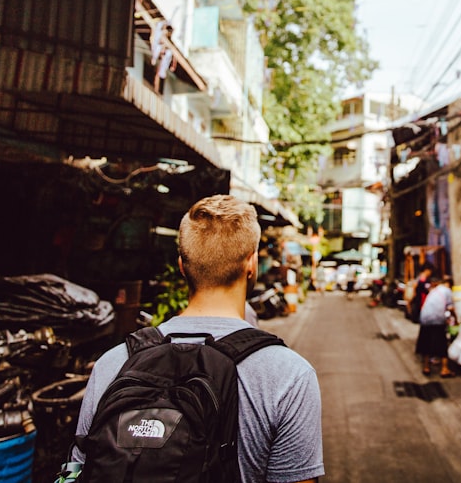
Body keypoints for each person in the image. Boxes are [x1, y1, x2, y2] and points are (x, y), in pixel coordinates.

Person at [70, 195, 324, 483]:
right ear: (251, 263)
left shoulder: (113, 363)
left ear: (181, 265)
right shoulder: (289, 376)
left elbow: (75, 471)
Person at [415, 274, 454, 378]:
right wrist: (456, 318)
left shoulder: (433, 291)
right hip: (437, 319)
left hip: (424, 318)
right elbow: (450, 308)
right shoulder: (447, 291)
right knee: (442, 343)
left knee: (425, 343)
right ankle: (444, 369)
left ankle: (426, 367)